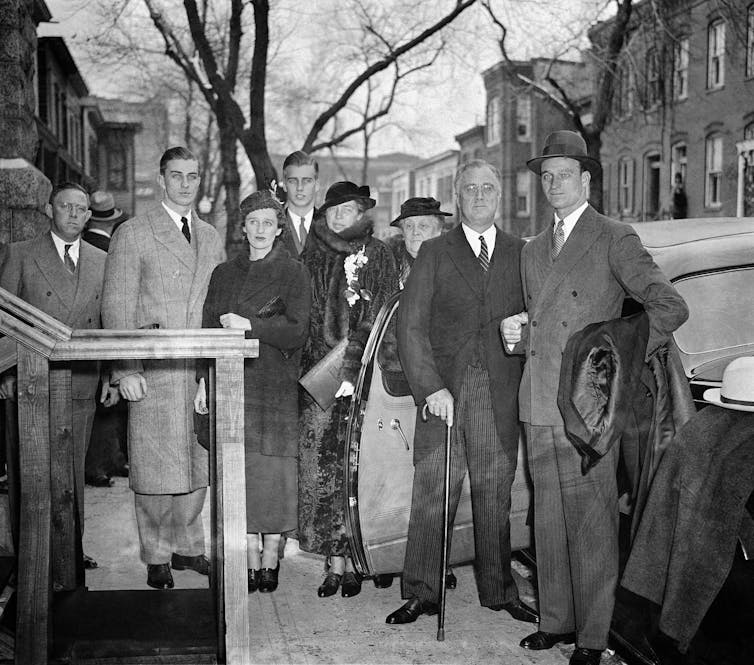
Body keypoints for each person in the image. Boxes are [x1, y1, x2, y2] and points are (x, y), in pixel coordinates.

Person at [501, 130, 688, 665]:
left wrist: (614, 359)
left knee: (591, 522)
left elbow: (668, 307)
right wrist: (520, 337)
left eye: (565, 175)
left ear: (586, 180)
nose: (555, 184)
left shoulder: (614, 237)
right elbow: (543, 322)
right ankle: (556, 620)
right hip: (536, 402)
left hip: (586, 410)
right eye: (547, 177)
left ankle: (592, 636)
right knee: (548, 517)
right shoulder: (533, 248)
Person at [386, 160, 536, 626]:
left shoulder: (521, 252)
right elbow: (410, 327)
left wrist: (523, 333)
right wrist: (430, 387)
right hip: (443, 397)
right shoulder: (434, 251)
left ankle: (498, 590)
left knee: (494, 494)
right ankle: (423, 591)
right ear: (457, 195)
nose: (479, 195)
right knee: (433, 493)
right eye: (469, 188)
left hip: (499, 394)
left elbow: (541, 319)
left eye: (487, 188)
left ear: (500, 195)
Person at [101, 146, 224, 590]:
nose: (186, 184)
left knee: (197, 463)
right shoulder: (134, 232)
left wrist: (212, 372)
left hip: (197, 369)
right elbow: (116, 305)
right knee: (154, 469)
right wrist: (124, 369)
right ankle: (155, 555)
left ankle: (189, 548)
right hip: (153, 371)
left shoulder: (210, 237)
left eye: (192, 175)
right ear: (161, 179)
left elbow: (219, 304)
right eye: (177, 175)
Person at [194, 190, 311, 594]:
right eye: (253, 222)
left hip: (274, 387)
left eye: (268, 222)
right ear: (242, 228)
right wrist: (201, 381)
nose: (260, 230)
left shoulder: (294, 273)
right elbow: (206, 332)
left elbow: (298, 331)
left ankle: (271, 555)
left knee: (273, 474)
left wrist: (250, 326)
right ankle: (244, 556)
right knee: (237, 471)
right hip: (230, 384)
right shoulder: (223, 274)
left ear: (279, 229)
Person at [0, 182, 119, 574]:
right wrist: (5, 373)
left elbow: (106, 325)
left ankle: (69, 552)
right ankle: (30, 558)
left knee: (70, 470)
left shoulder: (101, 260)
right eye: (65, 206)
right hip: (30, 381)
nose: (73, 213)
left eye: (81, 208)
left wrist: (110, 375)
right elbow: (4, 320)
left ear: (89, 216)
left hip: (81, 380)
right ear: (50, 210)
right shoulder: (20, 254)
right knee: (30, 473)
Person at [298, 181, 398, 599]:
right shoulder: (312, 252)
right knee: (322, 472)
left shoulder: (377, 254)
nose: (340, 217)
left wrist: (353, 358)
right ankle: (332, 564)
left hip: (360, 377)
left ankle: (358, 561)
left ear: (362, 213)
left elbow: (384, 310)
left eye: (349, 209)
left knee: (357, 470)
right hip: (317, 379)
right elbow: (299, 307)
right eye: (334, 210)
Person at [84, 190, 131, 488]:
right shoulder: (110, 252)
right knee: (108, 403)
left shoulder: (81, 245)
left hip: (83, 335)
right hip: (106, 334)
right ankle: (104, 463)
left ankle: (104, 461)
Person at [389, 196, 450, 289]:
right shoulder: (388, 269)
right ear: (403, 233)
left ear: (438, 231)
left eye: (423, 225)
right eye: (409, 226)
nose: (415, 232)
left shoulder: (455, 268)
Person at [280, 150, 319, 258]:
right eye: (293, 181)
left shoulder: (330, 227)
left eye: (307, 181)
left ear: (317, 185)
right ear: (284, 184)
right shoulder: (270, 227)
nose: (300, 187)